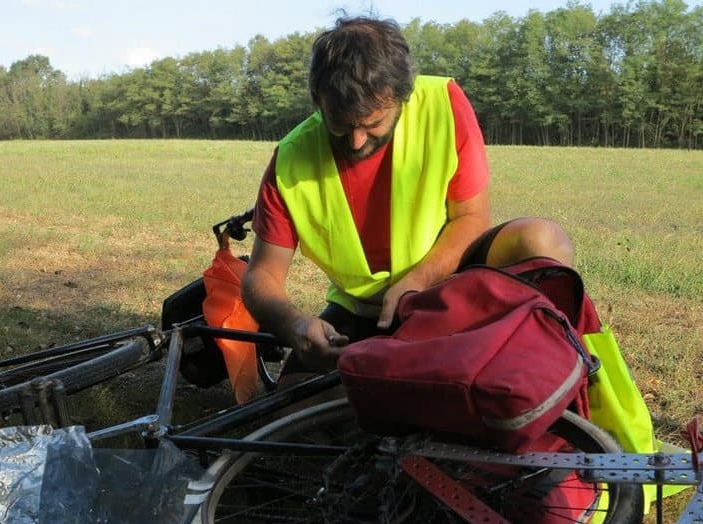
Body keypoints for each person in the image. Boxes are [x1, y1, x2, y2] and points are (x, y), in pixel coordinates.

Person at [242, 15, 574, 377]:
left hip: (454, 284)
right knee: (291, 414)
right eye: (339, 123)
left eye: (372, 123)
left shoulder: (443, 104)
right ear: (318, 101)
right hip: (365, 311)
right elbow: (261, 276)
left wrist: (417, 282)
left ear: (402, 96)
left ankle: (548, 371)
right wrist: (296, 326)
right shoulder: (291, 158)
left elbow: (472, 218)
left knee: (541, 240)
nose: (356, 140)